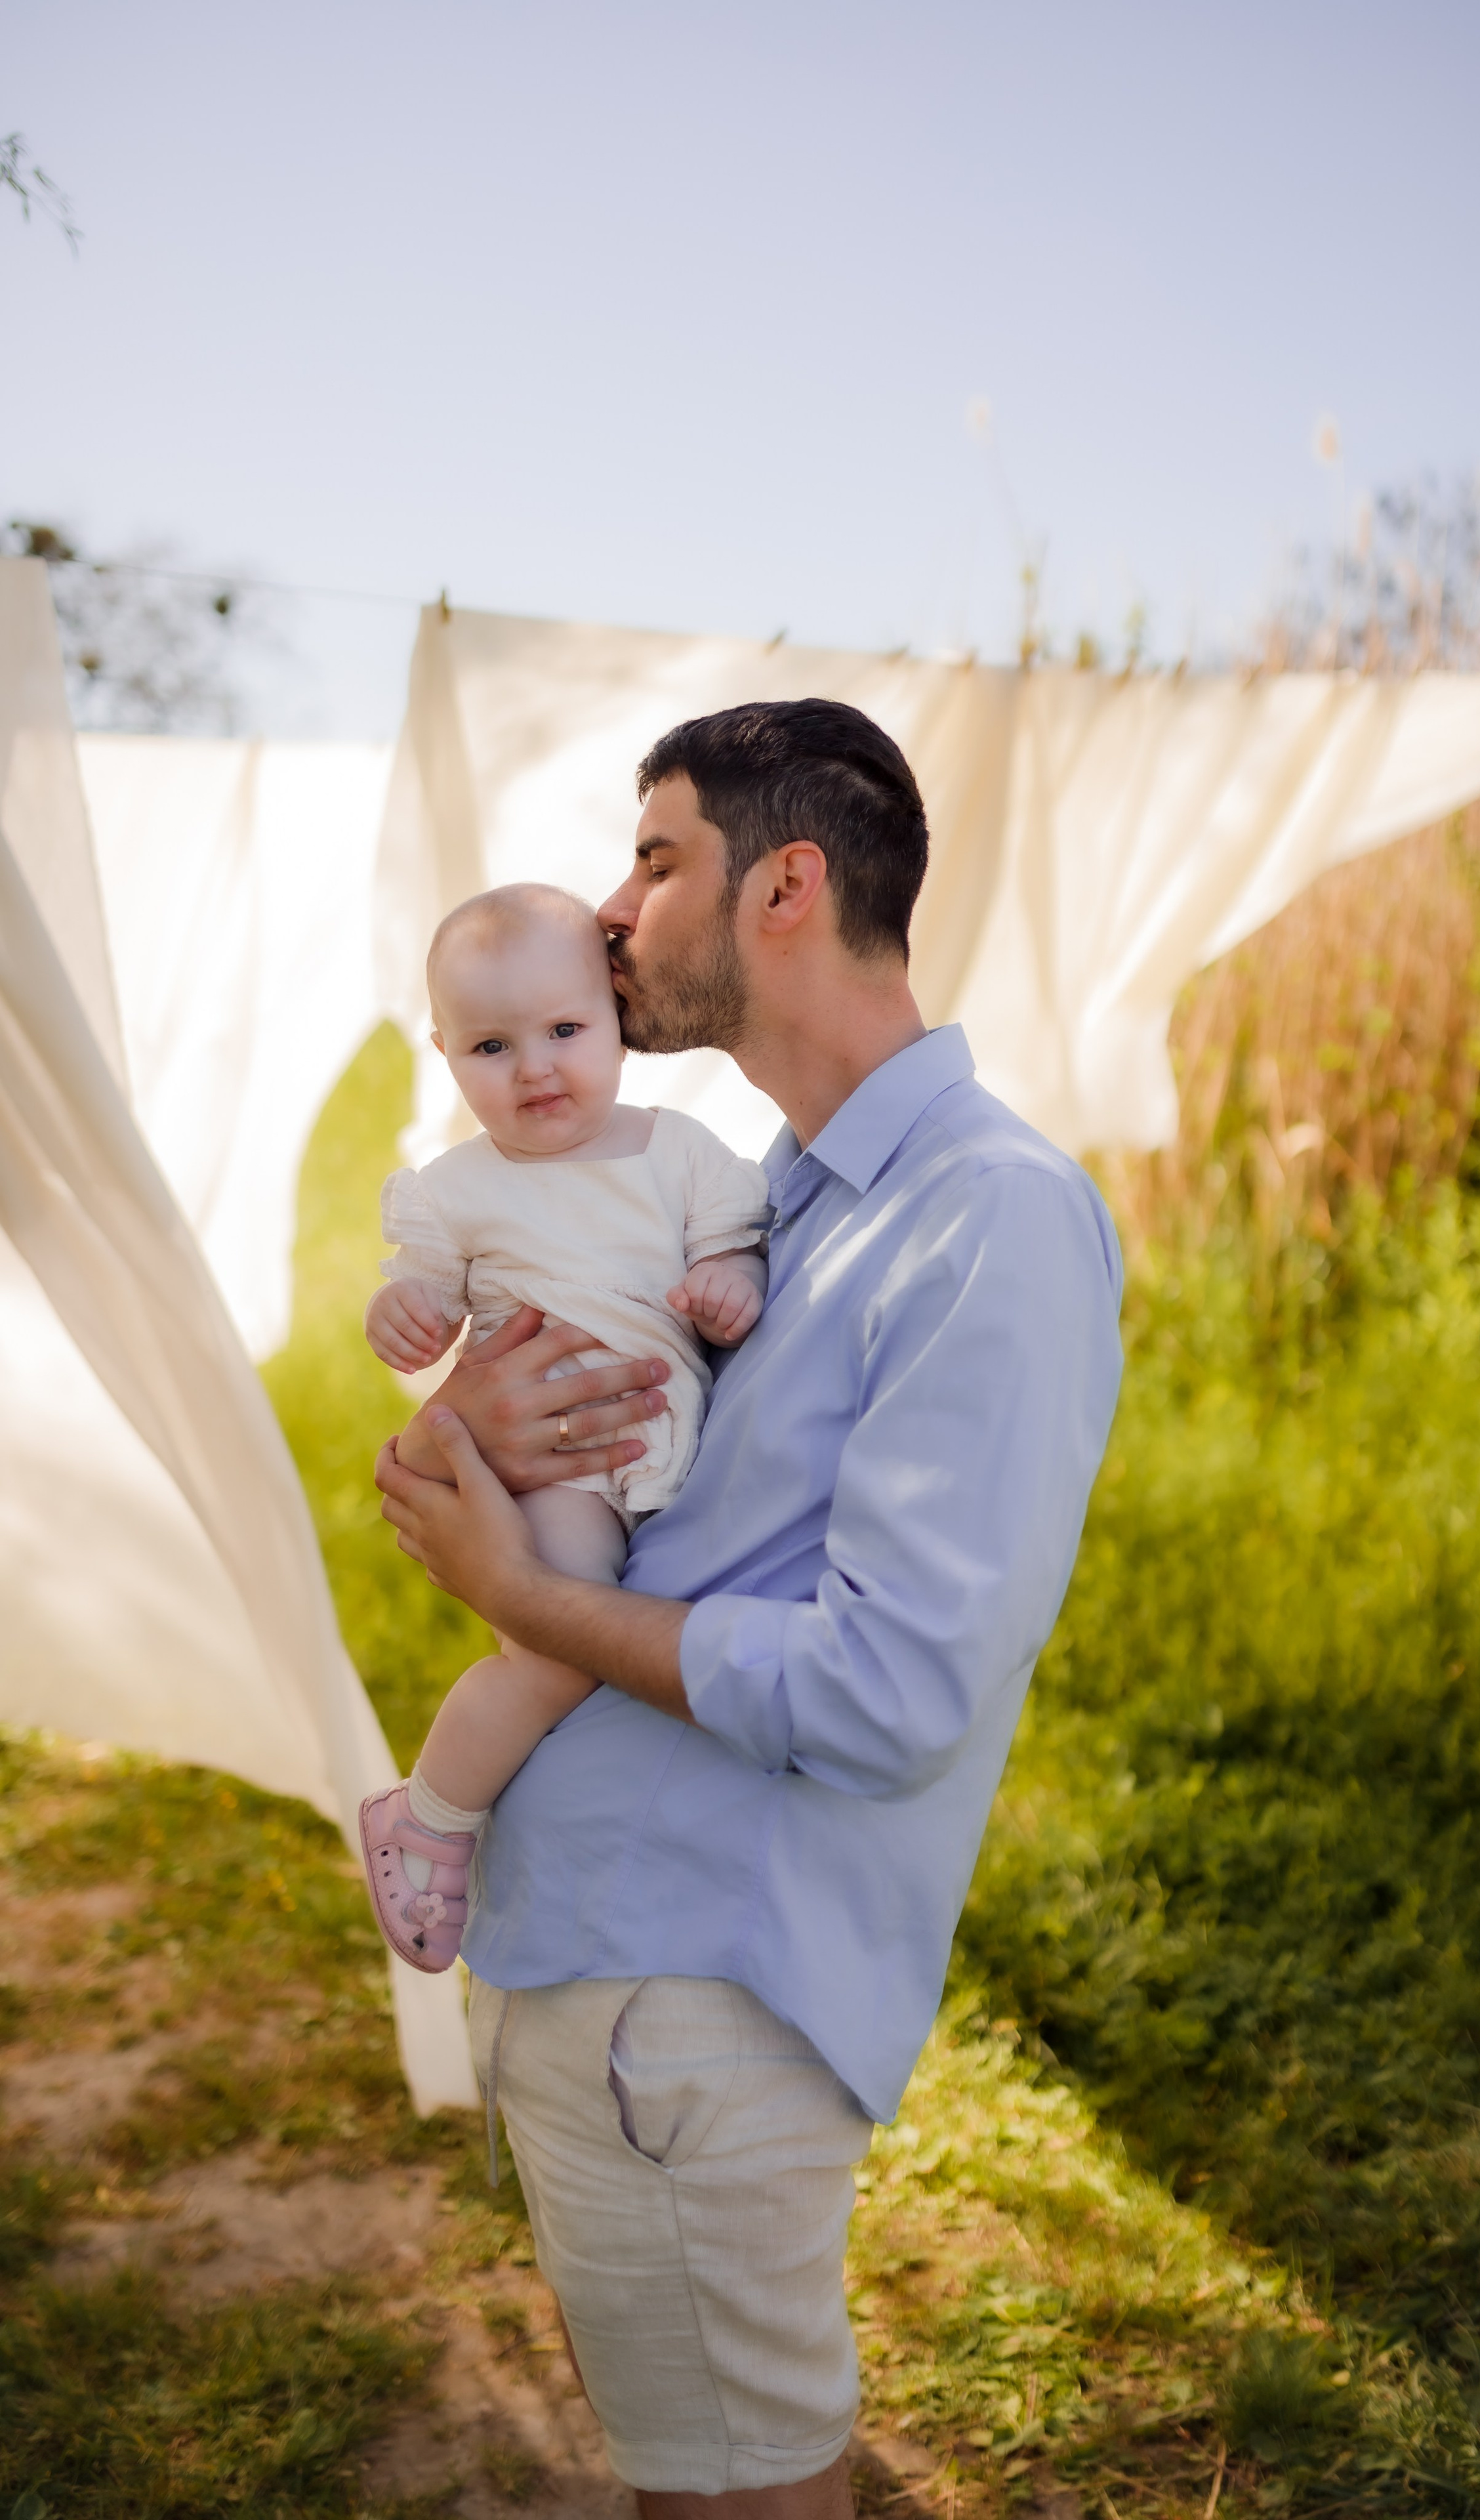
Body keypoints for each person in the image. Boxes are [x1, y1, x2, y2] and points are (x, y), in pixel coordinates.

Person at [375, 697, 1123, 2520]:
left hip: (685, 1996)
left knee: (728, 2498)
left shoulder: (988, 1218)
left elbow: (887, 1687)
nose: (612, 913)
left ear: (785, 886)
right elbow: (659, 1499)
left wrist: (516, 1598)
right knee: (724, 2467)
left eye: (655, 859)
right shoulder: (767, 1204)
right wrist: (470, 1428)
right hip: (617, 1966)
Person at [358, 881, 770, 1971]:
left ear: (618, 1025)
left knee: (643, 1652)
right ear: (446, 1054)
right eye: (493, 1045)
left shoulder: (678, 1154)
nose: (536, 1067)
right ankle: (432, 1816)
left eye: (566, 1031)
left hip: (671, 1454)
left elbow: (732, 1242)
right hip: (558, 1474)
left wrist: (729, 1277)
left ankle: (578, 1838)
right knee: (563, 1651)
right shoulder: (458, 1192)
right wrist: (401, 1314)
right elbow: (424, 1297)